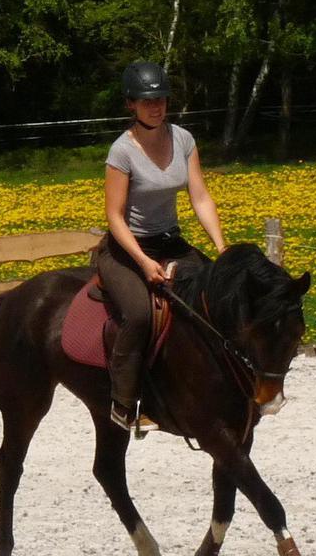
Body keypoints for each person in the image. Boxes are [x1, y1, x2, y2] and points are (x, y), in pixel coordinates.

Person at [96, 61, 227, 430]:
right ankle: (126, 403)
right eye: (147, 101)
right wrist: (142, 262)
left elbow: (200, 197)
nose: (156, 106)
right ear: (131, 104)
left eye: (161, 99)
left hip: (170, 241)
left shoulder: (183, 140)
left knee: (218, 294)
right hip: (125, 249)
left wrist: (222, 249)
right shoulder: (122, 151)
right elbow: (114, 217)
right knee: (139, 314)